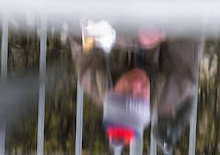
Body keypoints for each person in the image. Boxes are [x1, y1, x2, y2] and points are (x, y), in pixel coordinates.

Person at [71, 22, 203, 153]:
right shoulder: (175, 86)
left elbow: (80, 26)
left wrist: (131, 37)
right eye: (140, 96)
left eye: (126, 91)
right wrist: (163, 30)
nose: (136, 85)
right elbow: (192, 27)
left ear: (112, 91)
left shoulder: (91, 75)